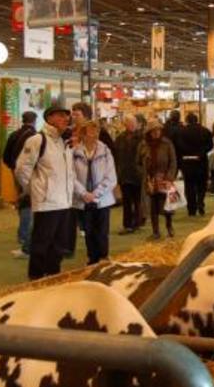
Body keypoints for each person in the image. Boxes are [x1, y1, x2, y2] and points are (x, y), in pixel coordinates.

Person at [15, 104, 75, 280]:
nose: (66, 119)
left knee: (58, 245)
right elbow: (21, 169)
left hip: (64, 201)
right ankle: (36, 278)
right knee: (41, 244)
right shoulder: (37, 140)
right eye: (61, 115)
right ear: (49, 118)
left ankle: (53, 276)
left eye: (67, 116)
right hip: (46, 203)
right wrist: (32, 190)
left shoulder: (65, 141)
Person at [72, 120, 117, 265]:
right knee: (88, 230)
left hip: (102, 198)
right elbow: (70, 177)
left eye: (97, 131)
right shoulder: (75, 152)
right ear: (84, 134)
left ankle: (104, 256)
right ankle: (92, 257)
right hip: (83, 199)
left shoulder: (106, 151)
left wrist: (96, 193)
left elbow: (111, 177)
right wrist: (83, 193)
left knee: (102, 230)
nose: (95, 135)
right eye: (91, 132)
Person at [3, 111, 38, 259]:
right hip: (31, 175)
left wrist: (13, 168)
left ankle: (23, 234)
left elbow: (6, 155)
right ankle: (25, 236)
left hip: (16, 173)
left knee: (22, 202)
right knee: (29, 204)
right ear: (34, 121)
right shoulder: (36, 137)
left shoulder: (14, 135)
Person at [138, 120, 177, 239]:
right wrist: (144, 175)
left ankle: (169, 226)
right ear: (149, 132)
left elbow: (173, 162)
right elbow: (138, 162)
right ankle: (156, 231)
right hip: (150, 180)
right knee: (153, 206)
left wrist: (169, 177)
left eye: (158, 130)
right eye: (153, 131)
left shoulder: (167, 144)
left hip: (165, 178)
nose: (156, 133)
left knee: (167, 205)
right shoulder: (143, 145)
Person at [177, 113, 213, 216]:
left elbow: (179, 145)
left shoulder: (182, 132)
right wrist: (201, 153)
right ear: (197, 120)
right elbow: (210, 145)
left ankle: (191, 209)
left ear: (187, 120)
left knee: (189, 186)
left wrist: (188, 152)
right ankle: (201, 204)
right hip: (201, 162)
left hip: (187, 162)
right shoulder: (205, 131)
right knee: (201, 185)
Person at [113, 114, 143, 234]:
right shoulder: (120, 138)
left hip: (137, 174)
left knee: (137, 201)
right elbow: (116, 156)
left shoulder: (142, 138)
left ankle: (137, 222)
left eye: (132, 123)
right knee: (126, 201)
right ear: (125, 124)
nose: (130, 125)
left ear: (136, 124)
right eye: (128, 123)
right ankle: (127, 224)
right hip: (124, 174)